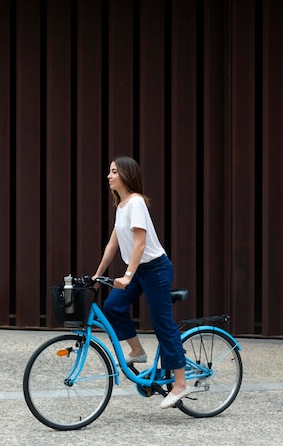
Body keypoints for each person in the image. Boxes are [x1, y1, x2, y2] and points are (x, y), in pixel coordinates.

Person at [92, 155, 192, 409]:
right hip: (139, 270)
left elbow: (140, 243)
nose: (109, 175)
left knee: (162, 323)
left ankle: (180, 383)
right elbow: (112, 245)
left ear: (126, 175)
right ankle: (137, 351)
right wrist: (96, 275)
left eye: (114, 171)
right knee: (113, 306)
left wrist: (127, 275)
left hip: (156, 269)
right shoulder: (122, 205)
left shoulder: (136, 203)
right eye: (109, 171)